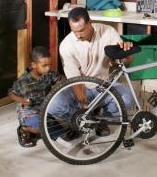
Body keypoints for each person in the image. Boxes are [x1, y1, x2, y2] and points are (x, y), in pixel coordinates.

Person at [48, 7, 134, 137]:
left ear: (90, 22)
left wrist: (127, 53)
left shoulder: (108, 32)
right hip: (81, 88)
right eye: (74, 31)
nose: (78, 35)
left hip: (104, 86)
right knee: (54, 105)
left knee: (127, 98)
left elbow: (123, 61)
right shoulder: (66, 45)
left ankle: (101, 120)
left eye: (81, 30)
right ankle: (77, 120)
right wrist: (84, 106)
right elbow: (75, 80)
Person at [9, 46, 63, 147]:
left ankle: (48, 128)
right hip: (28, 110)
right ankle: (24, 129)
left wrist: (60, 85)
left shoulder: (49, 74)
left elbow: (61, 81)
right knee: (40, 127)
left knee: (63, 132)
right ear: (34, 64)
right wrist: (23, 100)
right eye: (44, 65)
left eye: (49, 65)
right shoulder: (23, 80)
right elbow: (11, 93)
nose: (48, 68)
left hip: (44, 108)